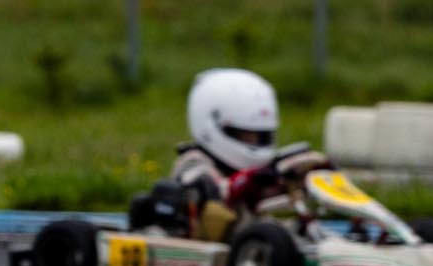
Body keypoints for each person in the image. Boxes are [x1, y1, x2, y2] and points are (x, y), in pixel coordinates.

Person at [133, 68, 325, 241]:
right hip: (209, 241)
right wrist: (252, 180)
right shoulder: (194, 162)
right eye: (245, 134)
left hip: (253, 239)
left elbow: (263, 197)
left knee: (298, 232)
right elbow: (218, 191)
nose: (254, 141)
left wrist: (296, 178)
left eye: (260, 136)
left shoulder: (255, 173)